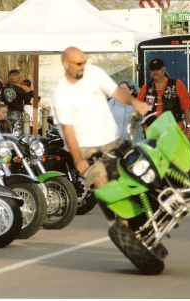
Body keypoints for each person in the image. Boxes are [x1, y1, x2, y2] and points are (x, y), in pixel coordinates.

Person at [51, 46, 148, 229]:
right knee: (103, 186)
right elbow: (68, 130)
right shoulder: (61, 94)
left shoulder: (94, 73)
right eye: (78, 63)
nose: (83, 66)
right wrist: (78, 158)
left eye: (84, 62)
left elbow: (117, 93)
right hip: (85, 149)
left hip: (110, 140)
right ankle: (118, 227)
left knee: (127, 180)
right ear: (65, 64)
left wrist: (134, 101)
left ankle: (139, 223)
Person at [136, 58, 190, 141]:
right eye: (153, 70)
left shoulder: (176, 84)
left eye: (157, 69)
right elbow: (137, 108)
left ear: (163, 70)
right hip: (152, 132)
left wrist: (188, 128)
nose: (155, 72)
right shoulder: (146, 88)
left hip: (174, 130)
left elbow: (187, 108)